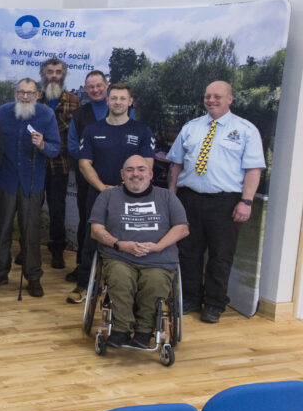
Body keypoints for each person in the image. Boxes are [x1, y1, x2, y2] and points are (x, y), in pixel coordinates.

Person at [167, 80, 265, 324]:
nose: (211, 100)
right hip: (189, 198)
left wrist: (247, 201)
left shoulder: (246, 130)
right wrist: (171, 196)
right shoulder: (191, 128)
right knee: (188, 252)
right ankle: (190, 298)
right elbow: (176, 164)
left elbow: (253, 169)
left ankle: (214, 303)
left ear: (230, 99)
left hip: (226, 202)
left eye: (217, 96)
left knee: (221, 256)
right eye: (208, 96)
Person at [88, 155, 189, 348]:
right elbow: (96, 230)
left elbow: (182, 228)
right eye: (130, 170)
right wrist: (120, 244)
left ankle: (144, 331)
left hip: (158, 259)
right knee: (119, 278)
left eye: (141, 169)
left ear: (150, 174)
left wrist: (158, 246)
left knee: (155, 281)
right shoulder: (107, 196)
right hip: (120, 256)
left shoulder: (167, 197)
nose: (136, 174)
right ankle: (122, 328)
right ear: (122, 175)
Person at [69, 83, 155, 302]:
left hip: (131, 198)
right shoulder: (92, 130)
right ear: (107, 101)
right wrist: (101, 188)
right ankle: (83, 285)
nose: (117, 102)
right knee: (91, 240)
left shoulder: (142, 131)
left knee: (128, 241)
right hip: (98, 195)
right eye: (114, 98)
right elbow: (84, 164)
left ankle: (123, 288)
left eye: (122, 98)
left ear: (130, 102)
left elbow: (146, 165)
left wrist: (126, 189)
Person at [0, 79, 60, 297]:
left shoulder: (47, 115)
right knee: (1, 229)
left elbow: (55, 149)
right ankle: (0, 271)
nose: (25, 96)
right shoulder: (2, 113)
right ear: (15, 93)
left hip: (33, 181)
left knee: (30, 231)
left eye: (30, 93)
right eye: (21, 92)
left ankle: (32, 276)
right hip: (6, 179)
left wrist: (42, 145)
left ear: (38, 94)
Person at [66, 70, 110, 283]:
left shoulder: (122, 110)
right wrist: (90, 162)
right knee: (87, 221)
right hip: (87, 177)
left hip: (116, 179)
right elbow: (73, 145)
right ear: (85, 89)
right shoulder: (79, 114)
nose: (95, 90)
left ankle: (111, 267)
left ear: (106, 85)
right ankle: (83, 267)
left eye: (98, 85)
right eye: (90, 87)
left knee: (115, 223)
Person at [37, 58, 81, 270]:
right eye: (49, 72)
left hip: (60, 165)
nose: (53, 75)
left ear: (63, 75)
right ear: (43, 74)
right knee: (31, 209)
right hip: (34, 164)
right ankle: (31, 249)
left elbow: (74, 136)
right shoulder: (34, 98)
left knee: (57, 210)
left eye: (57, 72)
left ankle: (57, 250)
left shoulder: (73, 101)